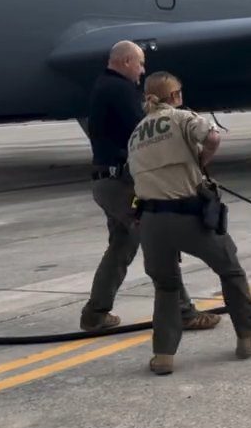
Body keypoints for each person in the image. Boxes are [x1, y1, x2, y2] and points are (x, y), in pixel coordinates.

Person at [127, 71, 251, 375]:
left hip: (150, 222)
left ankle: (163, 356)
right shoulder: (181, 117)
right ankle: (246, 338)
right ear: (174, 95)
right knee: (230, 270)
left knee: (166, 286)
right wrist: (203, 161)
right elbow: (212, 136)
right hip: (187, 215)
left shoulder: (136, 131)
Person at [80, 40, 217, 333]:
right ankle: (183, 312)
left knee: (121, 246)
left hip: (105, 183)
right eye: (140, 64)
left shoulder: (103, 87)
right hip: (122, 186)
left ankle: (95, 312)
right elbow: (145, 134)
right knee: (161, 240)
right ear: (126, 62)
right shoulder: (119, 90)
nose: (143, 71)